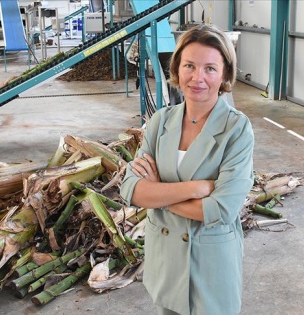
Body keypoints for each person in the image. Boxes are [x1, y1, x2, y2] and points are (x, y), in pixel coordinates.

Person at [119, 24, 254, 315]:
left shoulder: (237, 129)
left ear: (225, 75)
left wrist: (158, 193)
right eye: (189, 65)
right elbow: (131, 190)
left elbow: (221, 209)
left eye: (210, 68)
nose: (198, 77)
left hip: (210, 263)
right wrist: (196, 189)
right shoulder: (160, 121)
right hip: (166, 261)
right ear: (177, 68)